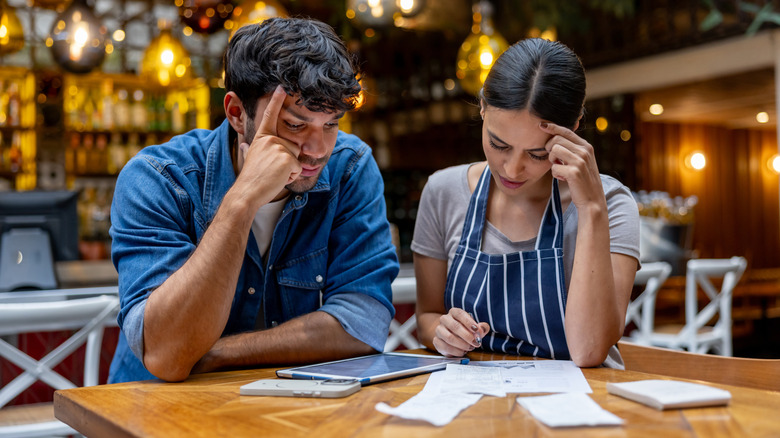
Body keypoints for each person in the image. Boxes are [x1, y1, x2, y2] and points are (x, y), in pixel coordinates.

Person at [108, 17, 399, 383]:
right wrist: (241, 202)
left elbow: (363, 323)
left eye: (331, 124)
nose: (318, 150)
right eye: (295, 125)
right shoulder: (159, 178)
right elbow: (167, 354)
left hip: (286, 404)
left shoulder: (349, 167)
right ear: (236, 113)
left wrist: (213, 354)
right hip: (150, 405)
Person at [411, 38, 640, 367]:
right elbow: (427, 318)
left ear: (573, 129)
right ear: (482, 107)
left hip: (581, 394)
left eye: (536, 154)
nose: (512, 169)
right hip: (475, 392)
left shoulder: (612, 204)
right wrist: (443, 332)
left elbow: (590, 351)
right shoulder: (443, 192)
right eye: (498, 144)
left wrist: (591, 209)